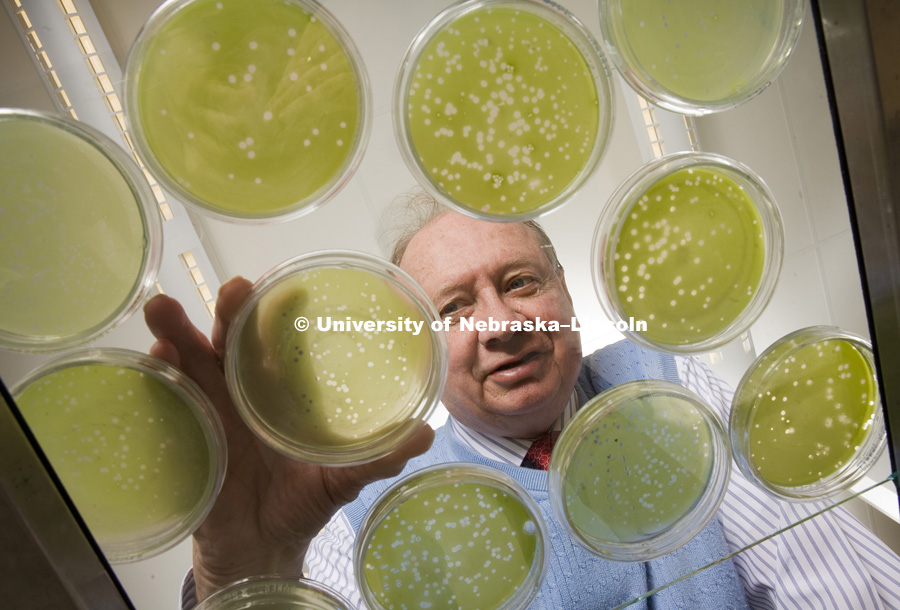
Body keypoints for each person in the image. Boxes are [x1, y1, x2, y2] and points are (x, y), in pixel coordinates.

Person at [146, 194, 900, 609]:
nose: (503, 327)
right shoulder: (360, 516)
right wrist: (239, 574)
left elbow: (847, 590)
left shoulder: (674, 381)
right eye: (453, 310)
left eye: (519, 283)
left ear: (567, 293)